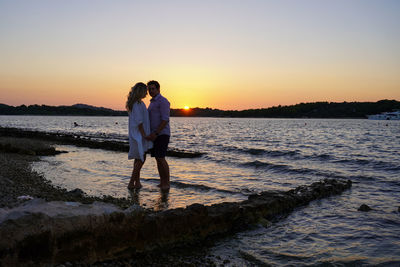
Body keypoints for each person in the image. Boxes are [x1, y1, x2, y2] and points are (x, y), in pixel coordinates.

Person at [126, 82, 153, 190]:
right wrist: (144, 135)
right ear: (140, 91)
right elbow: (139, 122)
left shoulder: (136, 103)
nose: (147, 93)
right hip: (138, 135)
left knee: (138, 158)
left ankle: (137, 182)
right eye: (145, 91)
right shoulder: (137, 104)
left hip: (136, 134)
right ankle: (131, 183)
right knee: (142, 158)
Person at [146, 80, 171, 191]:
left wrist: (156, 133)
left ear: (158, 89)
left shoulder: (163, 101)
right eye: (149, 89)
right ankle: (162, 182)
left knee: (161, 158)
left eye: (153, 88)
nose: (151, 91)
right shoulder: (152, 102)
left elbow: (165, 119)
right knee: (157, 158)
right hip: (154, 135)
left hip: (162, 134)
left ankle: (167, 183)